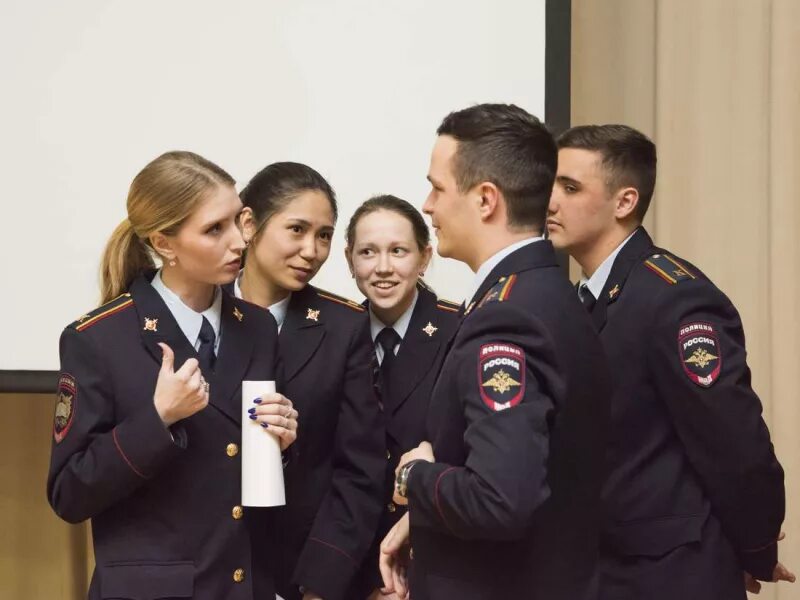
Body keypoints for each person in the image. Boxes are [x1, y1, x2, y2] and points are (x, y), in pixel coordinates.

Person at [547, 124, 793, 599]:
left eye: (571, 187)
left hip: (669, 575)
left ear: (624, 202)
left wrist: (754, 545)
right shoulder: (580, 301)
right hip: (602, 570)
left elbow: (734, 444)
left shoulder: (672, 297)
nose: (550, 201)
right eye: (552, 184)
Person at [379, 104, 611, 600]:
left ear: (486, 200)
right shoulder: (547, 294)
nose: (427, 205)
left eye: (438, 188)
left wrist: (414, 475)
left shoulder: (508, 316)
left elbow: (501, 497)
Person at [46, 151, 298, 600]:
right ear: (165, 244)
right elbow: (69, 494)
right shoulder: (98, 338)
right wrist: (157, 418)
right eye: (213, 230)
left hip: (241, 584)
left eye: (238, 220)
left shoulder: (258, 327)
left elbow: (238, 468)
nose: (239, 242)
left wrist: (279, 443)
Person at [235, 162, 385, 600]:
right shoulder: (201, 315)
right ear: (249, 224)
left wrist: (319, 582)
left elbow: (361, 470)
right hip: (209, 571)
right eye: (297, 229)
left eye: (324, 235)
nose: (312, 251)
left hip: (303, 572)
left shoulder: (343, 327)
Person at [344, 194, 460, 598]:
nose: (383, 268)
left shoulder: (460, 330)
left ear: (424, 257)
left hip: (438, 560)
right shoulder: (334, 335)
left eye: (398, 251)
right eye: (368, 252)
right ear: (349, 260)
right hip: (351, 564)